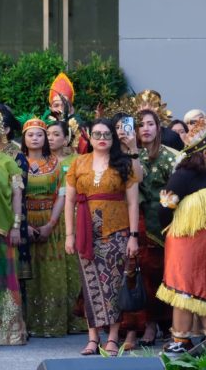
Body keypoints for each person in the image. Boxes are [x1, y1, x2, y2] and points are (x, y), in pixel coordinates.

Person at [64, 119, 139, 356]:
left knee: (114, 286)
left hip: (117, 231)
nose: (101, 138)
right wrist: (69, 234)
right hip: (87, 232)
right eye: (97, 134)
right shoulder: (79, 162)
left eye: (106, 133)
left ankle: (114, 337)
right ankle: (93, 338)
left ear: (113, 137)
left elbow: (133, 202)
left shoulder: (123, 163)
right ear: (90, 137)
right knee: (90, 285)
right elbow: (69, 200)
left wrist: (133, 236)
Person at [156, 118, 206, 353]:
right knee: (185, 291)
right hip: (187, 244)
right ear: (203, 152)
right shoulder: (183, 176)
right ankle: (181, 340)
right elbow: (164, 208)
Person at [120, 109, 177, 349]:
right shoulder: (128, 155)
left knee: (165, 275)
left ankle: (168, 325)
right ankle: (146, 324)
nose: (145, 128)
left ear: (158, 127)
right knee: (141, 275)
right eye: (141, 124)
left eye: (150, 124)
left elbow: (176, 191)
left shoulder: (170, 156)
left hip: (165, 221)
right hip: (135, 221)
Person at [22, 118, 82, 337]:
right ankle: (30, 324)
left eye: (40, 134)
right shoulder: (17, 163)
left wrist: (50, 224)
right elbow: (14, 196)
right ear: (24, 138)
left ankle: (54, 323)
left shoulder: (57, 164)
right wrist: (23, 225)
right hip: (25, 220)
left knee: (52, 272)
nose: (36, 138)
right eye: (31, 135)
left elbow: (62, 196)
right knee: (30, 272)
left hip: (52, 219)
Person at [0, 113, 27, 345]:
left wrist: (16, 226)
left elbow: (18, 195)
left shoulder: (8, 161)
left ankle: (9, 332)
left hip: (3, 228)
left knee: (3, 280)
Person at [0, 105, 30, 284]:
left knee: (7, 281)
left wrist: (16, 225)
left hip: (6, 225)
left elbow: (18, 193)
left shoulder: (12, 160)